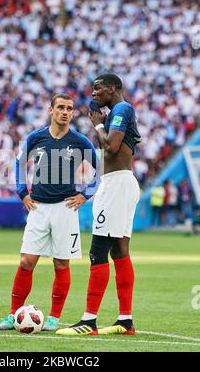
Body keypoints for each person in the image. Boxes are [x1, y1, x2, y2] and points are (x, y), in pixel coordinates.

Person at [0, 93, 99, 331]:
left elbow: (100, 171)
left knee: (61, 264)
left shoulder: (80, 141)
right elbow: (19, 164)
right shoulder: (36, 138)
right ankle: (12, 315)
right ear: (51, 110)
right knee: (26, 261)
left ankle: (53, 318)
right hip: (38, 208)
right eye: (60, 107)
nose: (65, 112)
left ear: (73, 113)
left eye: (69, 109)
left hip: (65, 208)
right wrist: (23, 192)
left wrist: (85, 194)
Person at [57, 73, 141, 336]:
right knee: (119, 251)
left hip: (116, 184)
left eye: (98, 89)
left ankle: (89, 320)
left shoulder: (122, 108)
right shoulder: (121, 112)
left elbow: (113, 147)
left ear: (112, 88)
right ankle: (125, 320)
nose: (93, 94)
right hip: (122, 182)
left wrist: (99, 126)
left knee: (98, 250)